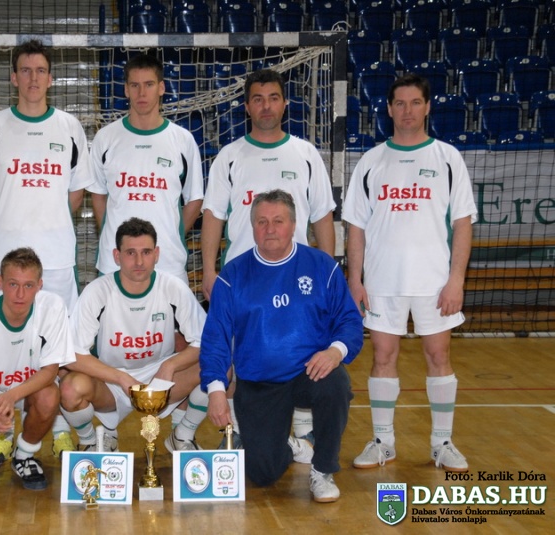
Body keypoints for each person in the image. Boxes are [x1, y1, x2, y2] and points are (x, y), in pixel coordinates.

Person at [342, 74, 477, 473]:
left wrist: (456, 280)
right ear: (388, 109)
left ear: (428, 106)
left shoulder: (448, 158)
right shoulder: (371, 162)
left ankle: (442, 443)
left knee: (439, 355)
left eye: (415, 102)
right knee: (383, 356)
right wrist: (355, 280)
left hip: (435, 282)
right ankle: (383, 442)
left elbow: (463, 224)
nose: (407, 111)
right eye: (399, 103)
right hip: (382, 282)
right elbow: (355, 227)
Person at [201, 69, 337, 456]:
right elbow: (213, 215)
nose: (266, 106)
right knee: (238, 356)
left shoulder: (305, 154)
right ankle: (238, 432)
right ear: (247, 106)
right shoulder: (230, 157)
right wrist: (209, 270)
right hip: (244, 282)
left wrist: (327, 273)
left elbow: (322, 216)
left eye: (273, 98)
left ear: (285, 104)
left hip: (297, 279)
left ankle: (306, 434)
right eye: (258, 99)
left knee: (303, 349)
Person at [200, 190, 363, 503]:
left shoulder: (321, 266)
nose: (270, 229)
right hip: (259, 382)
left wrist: (335, 351)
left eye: (278, 221)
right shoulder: (233, 275)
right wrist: (217, 391)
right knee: (263, 473)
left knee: (335, 384)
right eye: (262, 222)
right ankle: (287, 444)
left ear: (294, 225)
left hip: (308, 371)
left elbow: (349, 321)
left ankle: (323, 469)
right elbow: (215, 337)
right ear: (252, 227)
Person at [0, 38, 92, 461]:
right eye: (25, 70)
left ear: (51, 79)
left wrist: (49, 222)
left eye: (40, 71)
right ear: (13, 77)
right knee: (4, 346)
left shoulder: (70, 127)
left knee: (56, 350)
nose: (33, 78)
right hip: (5, 259)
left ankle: (55, 427)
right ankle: (3, 425)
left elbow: (76, 193)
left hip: (56, 260)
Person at [60, 218, 208, 453]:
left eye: (146, 252)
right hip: (111, 383)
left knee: (219, 366)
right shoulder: (98, 291)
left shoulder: (172, 287)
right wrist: (120, 378)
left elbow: (206, 341)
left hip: (160, 379)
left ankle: (182, 435)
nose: (139, 261)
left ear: (156, 254)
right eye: (130, 253)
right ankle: (91, 441)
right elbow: (71, 355)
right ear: (117, 256)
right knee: (70, 388)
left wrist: (170, 365)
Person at [0, 248, 75, 490]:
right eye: (13, 284)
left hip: (29, 388)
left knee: (50, 395)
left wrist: (11, 396)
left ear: (40, 285)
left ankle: (24, 455)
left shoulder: (52, 308)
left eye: (28, 285)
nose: (20, 294)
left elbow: (50, 371)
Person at [88, 53, 204, 284]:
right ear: (126, 90)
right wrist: (115, 237)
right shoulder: (105, 138)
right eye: (135, 85)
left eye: (149, 84)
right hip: (115, 263)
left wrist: (171, 233)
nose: (141, 93)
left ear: (161, 88)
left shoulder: (182, 140)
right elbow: (98, 196)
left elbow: (194, 199)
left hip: (167, 262)